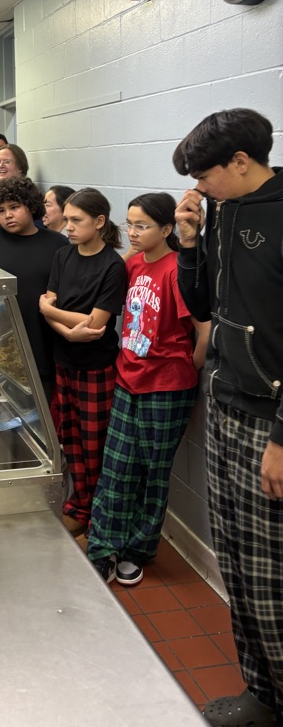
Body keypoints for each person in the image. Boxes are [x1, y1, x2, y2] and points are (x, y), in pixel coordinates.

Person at [173, 108, 283, 727]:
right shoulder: (224, 212)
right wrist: (191, 241)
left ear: (241, 161)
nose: (197, 187)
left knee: (274, 578)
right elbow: (202, 304)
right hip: (228, 402)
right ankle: (262, 695)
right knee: (238, 562)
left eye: (204, 175)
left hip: (272, 423)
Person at [87, 193, 210, 586]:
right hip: (128, 378)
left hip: (167, 389)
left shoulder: (177, 269)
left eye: (142, 226)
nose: (133, 233)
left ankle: (138, 550)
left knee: (153, 473)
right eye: (129, 224)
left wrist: (184, 367)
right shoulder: (133, 263)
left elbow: (204, 330)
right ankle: (103, 547)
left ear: (166, 230)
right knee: (117, 467)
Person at [39, 188, 127, 535]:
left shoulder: (112, 266)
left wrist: (50, 311)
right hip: (65, 359)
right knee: (70, 438)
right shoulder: (63, 255)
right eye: (68, 219)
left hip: (96, 367)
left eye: (77, 220)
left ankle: (97, 513)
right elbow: (62, 315)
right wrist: (66, 329)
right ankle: (78, 505)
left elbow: (96, 323)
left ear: (100, 222)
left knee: (95, 445)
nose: (69, 226)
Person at [0, 177, 68, 398]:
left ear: (31, 206)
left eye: (14, 207)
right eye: (1, 210)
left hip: (44, 345)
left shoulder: (57, 244)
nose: (7, 215)